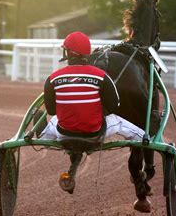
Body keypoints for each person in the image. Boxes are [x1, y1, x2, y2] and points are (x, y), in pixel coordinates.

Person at [38, 31, 145, 194]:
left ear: (67, 53)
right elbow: (115, 106)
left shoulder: (52, 78)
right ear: (87, 53)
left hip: (64, 134)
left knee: (55, 120)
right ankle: (144, 139)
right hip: (95, 134)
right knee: (121, 123)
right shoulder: (101, 76)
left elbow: (52, 110)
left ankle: (42, 136)